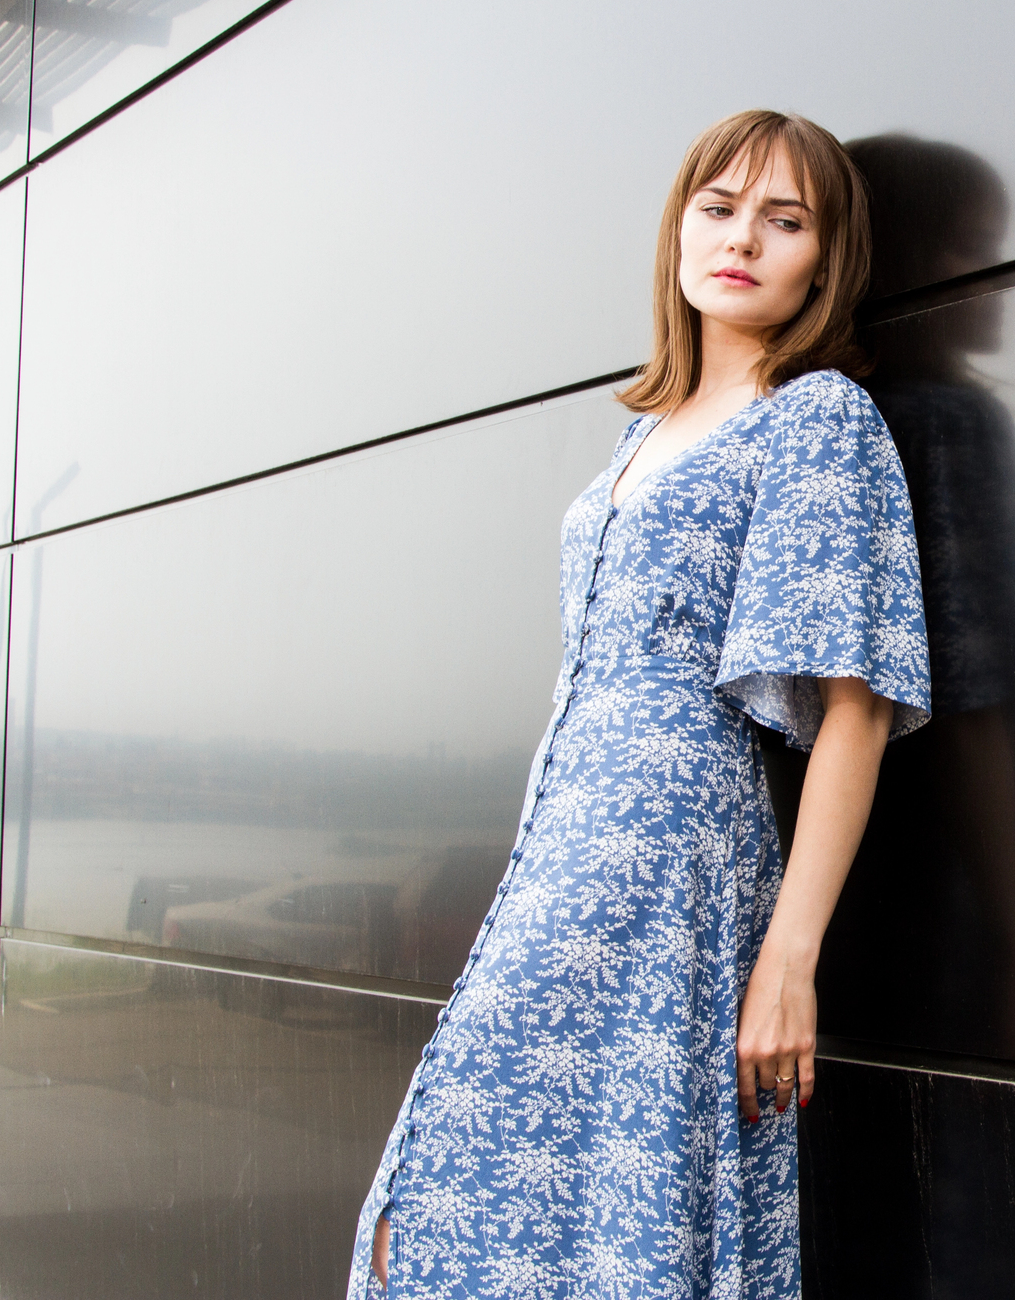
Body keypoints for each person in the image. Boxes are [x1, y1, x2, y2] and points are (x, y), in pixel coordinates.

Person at [349, 110, 930, 1300]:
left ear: (825, 257)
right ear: (677, 230)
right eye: (717, 209)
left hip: (675, 865)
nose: (742, 239)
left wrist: (789, 956)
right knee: (449, 1185)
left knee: (626, 1196)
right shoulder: (641, 438)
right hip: (562, 843)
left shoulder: (815, 418)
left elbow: (853, 706)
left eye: (785, 219)